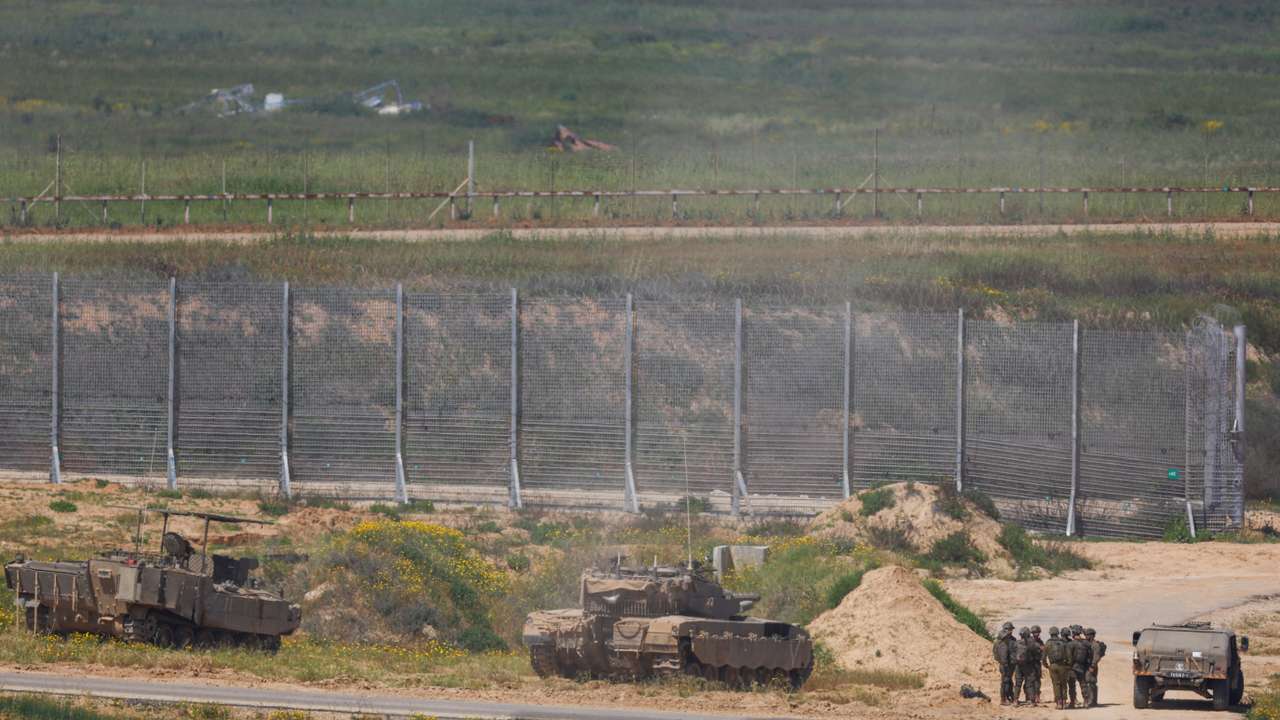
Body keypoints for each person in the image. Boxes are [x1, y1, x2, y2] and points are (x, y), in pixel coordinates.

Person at [1044, 626, 1072, 709]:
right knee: (1064, 684)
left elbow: (1043, 657)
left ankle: (1059, 703)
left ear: (1050, 633)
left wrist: (1046, 666)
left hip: (1052, 666)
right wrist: (1068, 665)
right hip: (1063, 666)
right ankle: (1064, 702)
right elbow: (1069, 655)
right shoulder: (1063, 643)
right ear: (1058, 633)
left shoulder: (1047, 643)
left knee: (1056, 684)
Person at [993, 621, 1017, 705]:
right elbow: (1001, 654)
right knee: (1005, 681)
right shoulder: (1003, 641)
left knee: (1009, 681)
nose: (1010, 631)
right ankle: (1003, 699)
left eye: (1011, 629)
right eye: (1009, 629)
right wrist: (1004, 663)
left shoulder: (1010, 639)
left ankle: (1010, 697)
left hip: (1010, 664)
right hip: (1005, 664)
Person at [1070, 625, 1093, 707]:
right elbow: (1090, 655)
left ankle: (1072, 702)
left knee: (1072, 685)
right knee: (1083, 684)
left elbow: (1069, 656)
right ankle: (1086, 701)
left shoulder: (1071, 644)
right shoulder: (1086, 643)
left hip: (1072, 667)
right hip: (1082, 667)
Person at [1086, 628, 1106, 707]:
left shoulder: (1095, 645)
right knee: (1089, 683)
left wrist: (1092, 666)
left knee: (1091, 683)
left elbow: (1096, 657)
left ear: (1092, 635)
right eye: (1086, 635)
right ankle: (1092, 701)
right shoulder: (1088, 643)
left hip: (1092, 666)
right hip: (1088, 666)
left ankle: (1092, 701)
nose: (1086, 636)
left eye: (1088, 635)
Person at [1013, 627, 1033, 705]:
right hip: (1028, 666)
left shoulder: (1016, 643)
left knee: (1018, 683)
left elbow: (1013, 653)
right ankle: (1030, 700)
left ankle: (1015, 700)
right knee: (1029, 683)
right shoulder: (1031, 644)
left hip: (1018, 666)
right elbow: (1035, 652)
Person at [1029, 625, 1045, 705]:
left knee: (1036, 680)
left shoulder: (1035, 641)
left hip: (1035, 663)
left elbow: (1043, 652)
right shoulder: (1036, 642)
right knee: (1033, 680)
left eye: (1037, 632)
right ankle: (1033, 696)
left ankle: (1036, 696)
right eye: (1035, 633)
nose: (1036, 634)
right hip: (1033, 663)